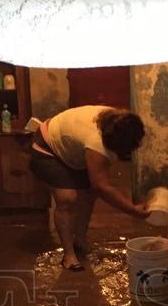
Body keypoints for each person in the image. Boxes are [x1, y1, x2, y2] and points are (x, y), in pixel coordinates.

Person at [31, 106, 150, 270]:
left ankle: (79, 241)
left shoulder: (117, 120)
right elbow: (102, 186)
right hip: (47, 147)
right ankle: (69, 255)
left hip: (72, 150)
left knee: (88, 193)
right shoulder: (97, 142)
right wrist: (132, 210)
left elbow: (96, 186)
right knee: (67, 199)